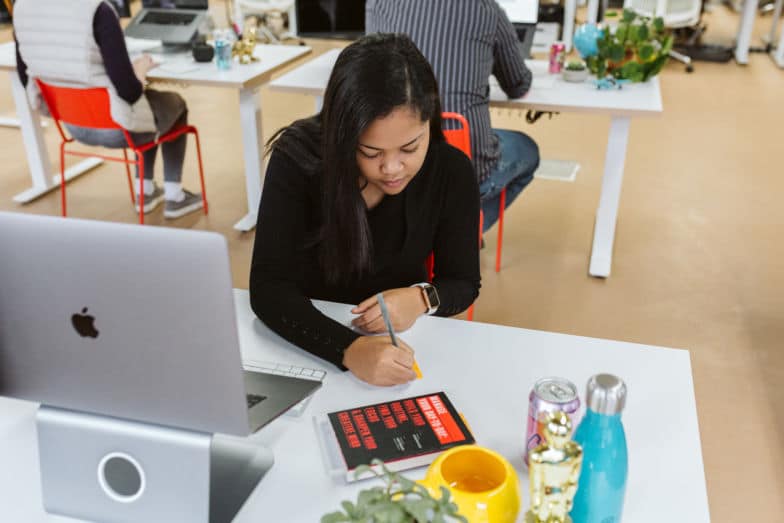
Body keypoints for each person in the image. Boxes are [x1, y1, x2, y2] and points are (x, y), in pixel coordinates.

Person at [250, 34, 481, 387]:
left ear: (429, 123)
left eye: (409, 147)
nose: (392, 168)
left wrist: (422, 298)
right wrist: (350, 349)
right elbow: (268, 288)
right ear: (342, 134)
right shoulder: (299, 160)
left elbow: (463, 282)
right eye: (371, 153)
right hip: (302, 338)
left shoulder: (450, 170)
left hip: (397, 348)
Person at [13, 0, 204, 219]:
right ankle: (175, 195)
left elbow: (24, 75)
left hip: (74, 126)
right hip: (117, 128)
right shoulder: (99, 11)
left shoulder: (22, 8)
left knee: (149, 107)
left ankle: (146, 191)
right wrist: (140, 68)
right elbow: (129, 92)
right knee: (174, 105)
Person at [366, 0, 540, 232]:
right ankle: (461, 235)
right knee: (527, 149)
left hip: (392, 162)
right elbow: (519, 85)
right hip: (463, 159)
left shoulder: (377, 3)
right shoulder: (486, 9)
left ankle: (440, 234)